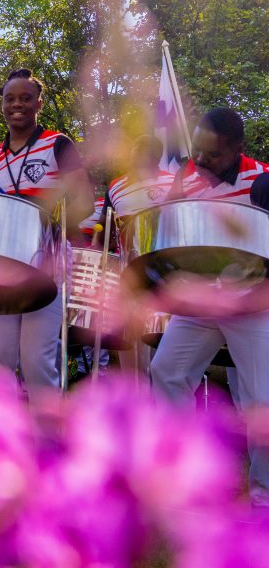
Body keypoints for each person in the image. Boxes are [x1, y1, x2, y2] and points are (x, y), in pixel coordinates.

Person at [150, 108, 269, 506]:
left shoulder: (262, 181)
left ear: (239, 148)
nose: (201, 161)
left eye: (212, 155)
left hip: (251, 303)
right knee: (167, 371)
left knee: (260, 401)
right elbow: (169, 229)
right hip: (201, 301)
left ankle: (263, 498)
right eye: (197, 151)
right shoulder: (189, 175)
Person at [0, 68, 94, 394]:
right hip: (3, 267)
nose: (17, 104)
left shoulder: (56, 145)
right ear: (2, 104)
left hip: (47, 262)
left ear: (38, 104)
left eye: (25, 98)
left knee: (37, 360)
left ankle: (46, 440)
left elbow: (85, 202)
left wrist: (50, 225)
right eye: (10, 98)